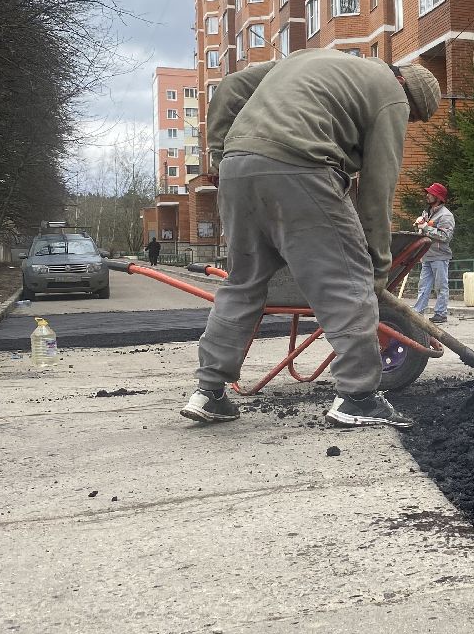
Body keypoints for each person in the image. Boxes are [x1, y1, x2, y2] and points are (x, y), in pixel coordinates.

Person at [179, 48, 441, 429]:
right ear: (411, 97)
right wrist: (376, 265)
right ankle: (357, 398)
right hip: (300, 167)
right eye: (413, 118)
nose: (407, 121)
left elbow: (232, 87)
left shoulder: (313, 57)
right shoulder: (391, 95)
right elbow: (378, 188)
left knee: (243, 283)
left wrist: (221, 154)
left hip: (238, 170)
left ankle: (209, 392)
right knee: (347, 284)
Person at [412, 182, 455, 323]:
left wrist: (425, 228)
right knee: (423, 286)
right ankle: (417, 313)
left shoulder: (446, 216)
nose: (427, 195)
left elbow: (445, 236)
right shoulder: (428, 213)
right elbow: (423, 232)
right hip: (426, 255)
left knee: (440, 286)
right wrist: (419, 225)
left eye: (431, 193)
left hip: (440, 256)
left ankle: (441, 314)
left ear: (438, 197)